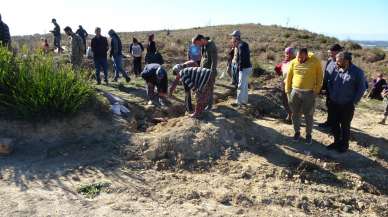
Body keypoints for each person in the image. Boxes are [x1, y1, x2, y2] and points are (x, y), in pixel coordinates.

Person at [326, 52, 366, 153]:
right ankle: (336, 142)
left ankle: (344, 145)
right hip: (334, 103)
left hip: (347, 105)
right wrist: (331, 95)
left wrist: (353, 102)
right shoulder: (335, 69)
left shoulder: (357, 72)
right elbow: (330, 82)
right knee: (334, 124)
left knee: (345, 125)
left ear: (346, 61)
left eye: (338, 60)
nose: (336, 62)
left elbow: (361, 89)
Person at [285, 48, 323, 144]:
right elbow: (288, 77)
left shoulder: (315, 62)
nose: (300, 59)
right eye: (298, 57)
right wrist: (288, 91)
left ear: (306, 55)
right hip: (295, 92)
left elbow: (320, 77)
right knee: (295, 114)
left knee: (308, 115)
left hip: (309, 93)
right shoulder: (293, 62)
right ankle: (297, 132)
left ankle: (308, 134)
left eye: (301, 57)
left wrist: (316, 91)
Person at [319, 44, 343, 129]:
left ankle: (335, 126)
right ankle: (329, 122)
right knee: (329, 105)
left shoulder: (342, 62)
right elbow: (326, 74)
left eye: (332, 53)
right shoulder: (329, 60)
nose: (330, 55)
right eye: (330, 53)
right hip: (329, 88)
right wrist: (323, 87)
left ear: (338, 52)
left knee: (336, 108)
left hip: (337, 90)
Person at [194, 34, 217, 110]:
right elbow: (203, 58)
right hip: (203, 72)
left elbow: (214, 61)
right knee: (204, 89)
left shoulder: (211, 46)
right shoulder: (203, 46)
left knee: (209, 89)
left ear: (202, 40)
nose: (198, 46)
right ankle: (205, 104)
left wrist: (212, 73)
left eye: (198, 43)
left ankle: (209, 106)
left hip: (209, 72)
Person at [230, 30, 252, 107]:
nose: (232, 38)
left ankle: (238, 102)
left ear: (237, 37)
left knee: (240, 85)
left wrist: (240, 68)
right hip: (247, 67)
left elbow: (241, 59)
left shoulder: (241, 45)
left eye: (233, 36)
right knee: (244, 86)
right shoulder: (243, 44)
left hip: (244, 68)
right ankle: (244, 101)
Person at [275, 47, 296, 123]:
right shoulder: (284, 62)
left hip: (294, 85)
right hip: (284, 83)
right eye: (286, 53)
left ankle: (292, 117)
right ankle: (290, 114)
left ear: (293, 54)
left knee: (292, 101)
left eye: (289, 53)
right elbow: (278, 69)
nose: (287, 55)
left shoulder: (296, 62)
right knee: (284, 100)